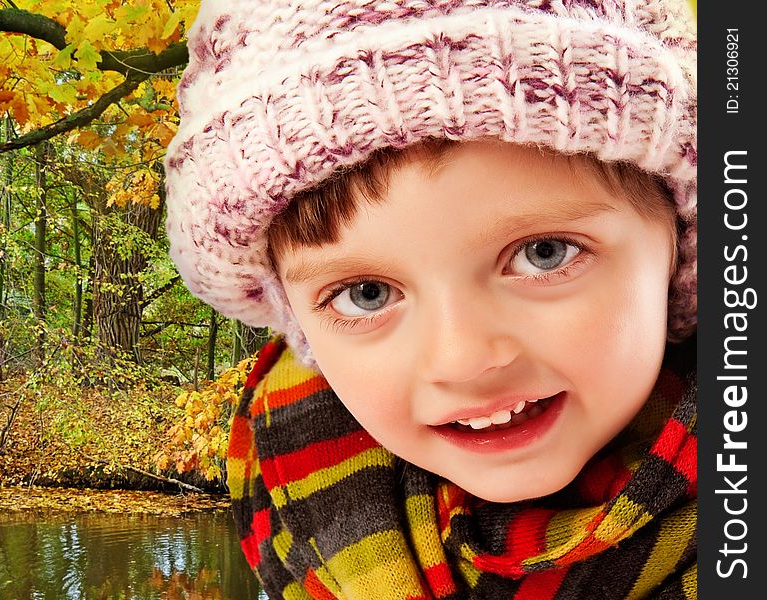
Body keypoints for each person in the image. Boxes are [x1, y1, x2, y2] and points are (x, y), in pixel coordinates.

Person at [164, 1, 697, 598]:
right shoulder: (303, 511)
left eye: (544, 253)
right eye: (365, 295)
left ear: (680, 250)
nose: (462, 358)